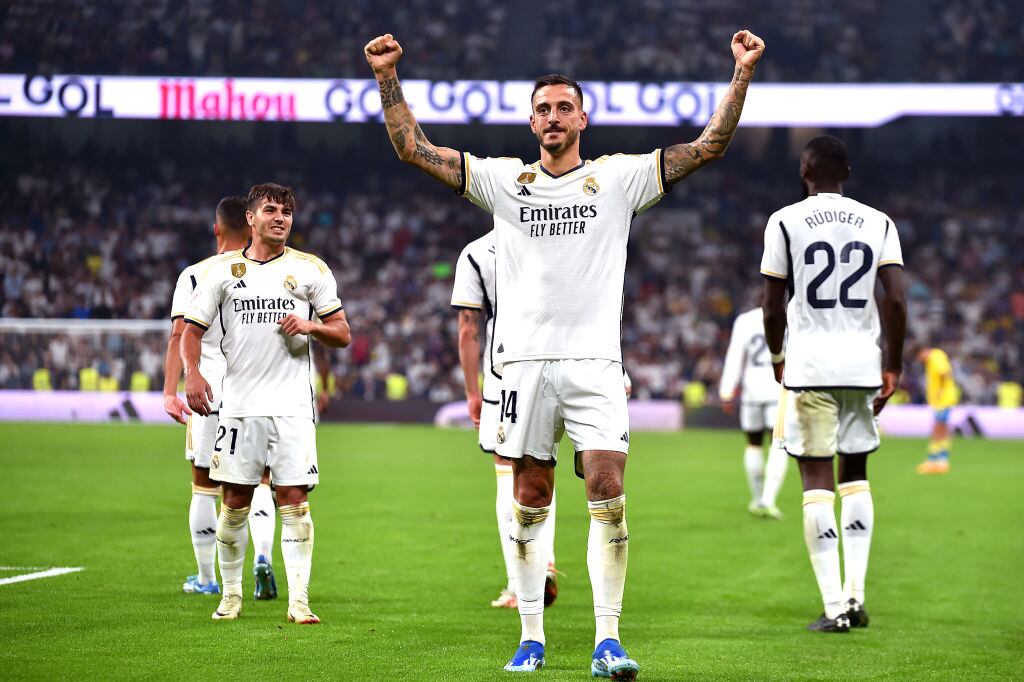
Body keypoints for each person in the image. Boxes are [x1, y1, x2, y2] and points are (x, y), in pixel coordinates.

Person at [366, 29, 764, 677]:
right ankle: (530, 638)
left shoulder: (619, 179)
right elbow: (415, 149)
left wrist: (741, 73)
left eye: (563, 108)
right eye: (543, 108)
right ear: (531, 121)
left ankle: (608, 640)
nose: (553, 117)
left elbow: (709, 146)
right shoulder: (502, 182)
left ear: (582, 118)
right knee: (531, 492)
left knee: (607, 487)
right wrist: (387, 77)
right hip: (522, 366)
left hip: (595, 365)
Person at [182, 183, 351, 624]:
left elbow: (343, 333)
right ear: (251, 219)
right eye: (271, 210)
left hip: (293, 407)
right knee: (235, 499)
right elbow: (191, 332)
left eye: (287, 212)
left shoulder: (310, 270)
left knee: (293, 497)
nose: (280, 218)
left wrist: (311, 326)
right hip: (239, 406)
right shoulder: (223, 272)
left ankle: (300, 601)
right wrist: (194, 374)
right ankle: (231, 595)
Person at [761, 135, 907, 633]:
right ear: (847, 171)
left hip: (812, 365)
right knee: (857, 474)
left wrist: (779, 357)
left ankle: (833, 607)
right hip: (863, 364)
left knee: (816, 481)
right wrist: (894, 364)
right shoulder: (879, 221)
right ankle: (857, 597)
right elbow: (898, 300)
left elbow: (771, 304)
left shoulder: (784, 220)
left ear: (804, 170)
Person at [451, 230, 559, 610]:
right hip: (557, 361)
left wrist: (472, 392)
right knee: (542, 460)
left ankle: (518, 581)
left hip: (504, 370)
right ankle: (545, 560)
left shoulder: (477, 252)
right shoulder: (554, 237)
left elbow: (468, 327)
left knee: (506, 467)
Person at [164, 196, 250, 595]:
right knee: (259, 481)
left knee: (204, 483)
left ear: (216, 228)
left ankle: (206, 578)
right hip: (252, 388)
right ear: (251, 226)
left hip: (206, 387)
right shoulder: (262, 272)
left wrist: (170, 391)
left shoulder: (195, 274)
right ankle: (261, 560)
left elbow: (180, 334)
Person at [719, 301, 788, 519]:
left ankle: (757, 500)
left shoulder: (745, 320)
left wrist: (727, 390)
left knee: (753, 444)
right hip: (780, 389)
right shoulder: (791, 317)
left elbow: (735, 356)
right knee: (779, 445)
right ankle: (769, 500)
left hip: (751, 391)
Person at [914, 345, 957, 474]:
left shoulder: (936, 356)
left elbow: (944, 373)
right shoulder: (935, 357)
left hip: (943, 401)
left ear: (923, 351)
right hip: (941, 400)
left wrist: (939, 392)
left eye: (919, 357)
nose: (920, 360)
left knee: (937, 429)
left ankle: (933, 460)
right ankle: (942, 461)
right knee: (942, 429)